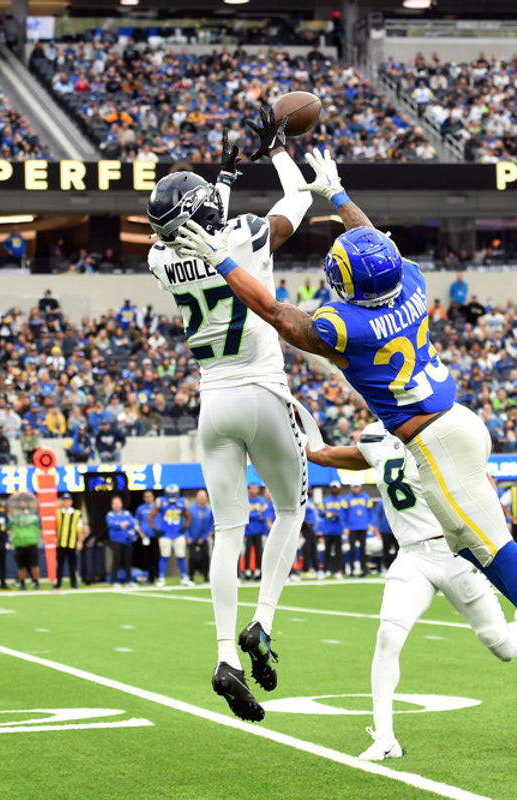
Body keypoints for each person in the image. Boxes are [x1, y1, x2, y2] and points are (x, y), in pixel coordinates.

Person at [177, 146, 517, 714]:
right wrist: (338, 195)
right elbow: (376, 246)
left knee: (491, 549)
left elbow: (275, 312)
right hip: (451, 424)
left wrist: (223, 261)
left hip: (435, 439)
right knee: (473, 548)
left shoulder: (347, 325)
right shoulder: (412, 281)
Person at [147, 117, 314, 721]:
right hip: (263, 390)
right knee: (291, 509)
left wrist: (221, 176)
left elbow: (196, 226)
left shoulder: (159, 259)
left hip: (212, 403)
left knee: (226, 531)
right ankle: (262, 621)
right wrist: (280, 151)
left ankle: (224, 655)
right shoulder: (244, 235)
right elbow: (297, 200)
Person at [308, 422, 517, 760]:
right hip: (411, 555)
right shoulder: (375, 439)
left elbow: (481, 484)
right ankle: (385, 738)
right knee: (387, 637)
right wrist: (295, 433)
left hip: (455, 552)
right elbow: (325, 455)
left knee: (504, 647)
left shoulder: (440, 431)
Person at [151, 485, 193, 587]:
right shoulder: (161, 502)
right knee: (164, 556)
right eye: (170, 494)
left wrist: (185, 527)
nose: (172, 496)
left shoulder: (182, 502)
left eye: (174, 494)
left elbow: (189, 516)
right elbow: (150, 516)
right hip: (165, 534)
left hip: (178, 533)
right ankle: (161, 579)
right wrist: (155, 529)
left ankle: (184, 578)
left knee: (181, 556)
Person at [7, 495, 41, 590]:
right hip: (19, 544)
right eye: (20, 502)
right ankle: (22, 583)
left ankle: (36, 582)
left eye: (24, 502)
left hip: (31, 542)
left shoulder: (33, 516)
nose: (22, 504)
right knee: (20, 566)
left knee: (34, 565)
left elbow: (39, 527)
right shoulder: (14, 517)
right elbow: (7, 528)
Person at [55, 493, 86, 590]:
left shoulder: (76, 513)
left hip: (72, 542)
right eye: (64, 500)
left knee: (72, 564)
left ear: (71, 502)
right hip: (60, 542)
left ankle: (73, 583)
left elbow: (79, 529)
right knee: (60, 565)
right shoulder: (58, 513)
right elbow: (54, 527)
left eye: (68, 500)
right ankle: (58, 583)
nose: (66, 502)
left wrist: (79, 541)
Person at [243, 484, 274, 581]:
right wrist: (256, 515)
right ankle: (247, 570)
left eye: (255, 488)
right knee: (247, 551)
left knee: (259, 551)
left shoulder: (262, 501)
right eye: (251, 488)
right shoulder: (245, 500)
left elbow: (264, 516)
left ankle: (258, 570)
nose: (253, 490)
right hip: (248, 531)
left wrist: (254, 516)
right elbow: (246, 515)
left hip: (259, 530)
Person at [106, 495, 138, 588]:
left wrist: (122, 524)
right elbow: (112, 524)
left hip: (127, 540)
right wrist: (121, 525)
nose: (117, 505)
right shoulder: (110, 514)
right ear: (112, 505)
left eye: (118, 503)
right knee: (117, 560)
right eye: (115, 503)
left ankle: (129, 580)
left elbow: (132, 522)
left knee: (128, 561)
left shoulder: (127, 513)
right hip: (116, 540)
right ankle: (115, 581)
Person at [320, 482, 347, 579]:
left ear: (339, 489)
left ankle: (337, 570)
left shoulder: (342, 501)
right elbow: (321, 512)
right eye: (333, 488)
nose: (334, 490)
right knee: (327, 551)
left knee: (338, 551)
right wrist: (327, 514)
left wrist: (334, 514)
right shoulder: (326, 500)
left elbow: (343, 513)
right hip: (328, 529)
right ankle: (326, 570)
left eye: (336, 488)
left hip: (338, 529)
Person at [344, 484, 373, 577]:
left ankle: (363, 570)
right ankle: (351, 570)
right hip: (352, 528)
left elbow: (371, 512)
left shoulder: (366, 497)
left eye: (357, 486)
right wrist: (345, 526)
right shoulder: (347, 498)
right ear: (351, 488)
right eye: (354, 486)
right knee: (352, 550)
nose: (356, 488)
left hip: (363, 527)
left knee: (362, 550)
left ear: (360, 487)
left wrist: (371, 524)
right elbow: (343, 513)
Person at [187, 490, 214, 584]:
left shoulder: (209, 510)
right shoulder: (190, 509)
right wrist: (188, 536)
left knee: (206, 557)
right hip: (192, 538)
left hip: (204, 538)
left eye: (204, 496)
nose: (202, 498)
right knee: (192, 558)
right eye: (200, 496)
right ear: (197, 497)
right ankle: (191, 577)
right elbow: (186, 523)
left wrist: (204, 537)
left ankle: (206, 576)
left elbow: (210, 525)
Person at [134, 490, 158, 584]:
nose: (148, 498)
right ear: (144, 498)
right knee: (147, 558)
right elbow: (136, 522)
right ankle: (149, 577)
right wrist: (140, 533)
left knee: (156, 557)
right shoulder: (141, 509)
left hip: (156, 536)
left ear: (153, 497)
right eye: (146, 496)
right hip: (145, 537)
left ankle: (158, 576)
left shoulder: (158, 506)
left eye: (150, 496)